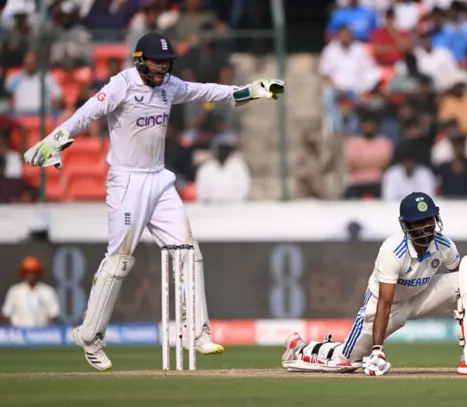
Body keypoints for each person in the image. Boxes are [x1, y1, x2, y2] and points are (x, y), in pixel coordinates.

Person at [22, 32, 285, 371]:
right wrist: (53, 141)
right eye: (156, 62)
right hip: (127, 181)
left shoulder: (169, 85)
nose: (162, 68)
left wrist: (251, 91)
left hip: (159, 179)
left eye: (166, 62)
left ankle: (197, 332)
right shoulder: (122, 84)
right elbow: (86, 114)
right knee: (119, 261)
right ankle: (89, 336)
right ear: (139, 60)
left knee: (188, 251)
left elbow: (204, 91)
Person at [281, 192, 467, 376]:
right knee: (346, 360)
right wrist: (377, 350)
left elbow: (464, 286)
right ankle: (300, 348)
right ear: (407, 225)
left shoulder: (444, 246)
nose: (427, 227)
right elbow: (384, 303)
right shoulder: (392, 251)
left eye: (430, 220)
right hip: (387, 307)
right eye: (420, 222)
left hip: (421, 297)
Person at [0, 256, 60, 327]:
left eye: (34, 272)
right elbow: (6, 314)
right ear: (23, 274)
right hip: (18, 334)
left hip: (42, 333)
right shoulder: (15, 291)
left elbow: (54, 314)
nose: (31, 275)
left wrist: (48, 331)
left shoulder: (47, 291)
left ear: (39, 274)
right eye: (28, 272)